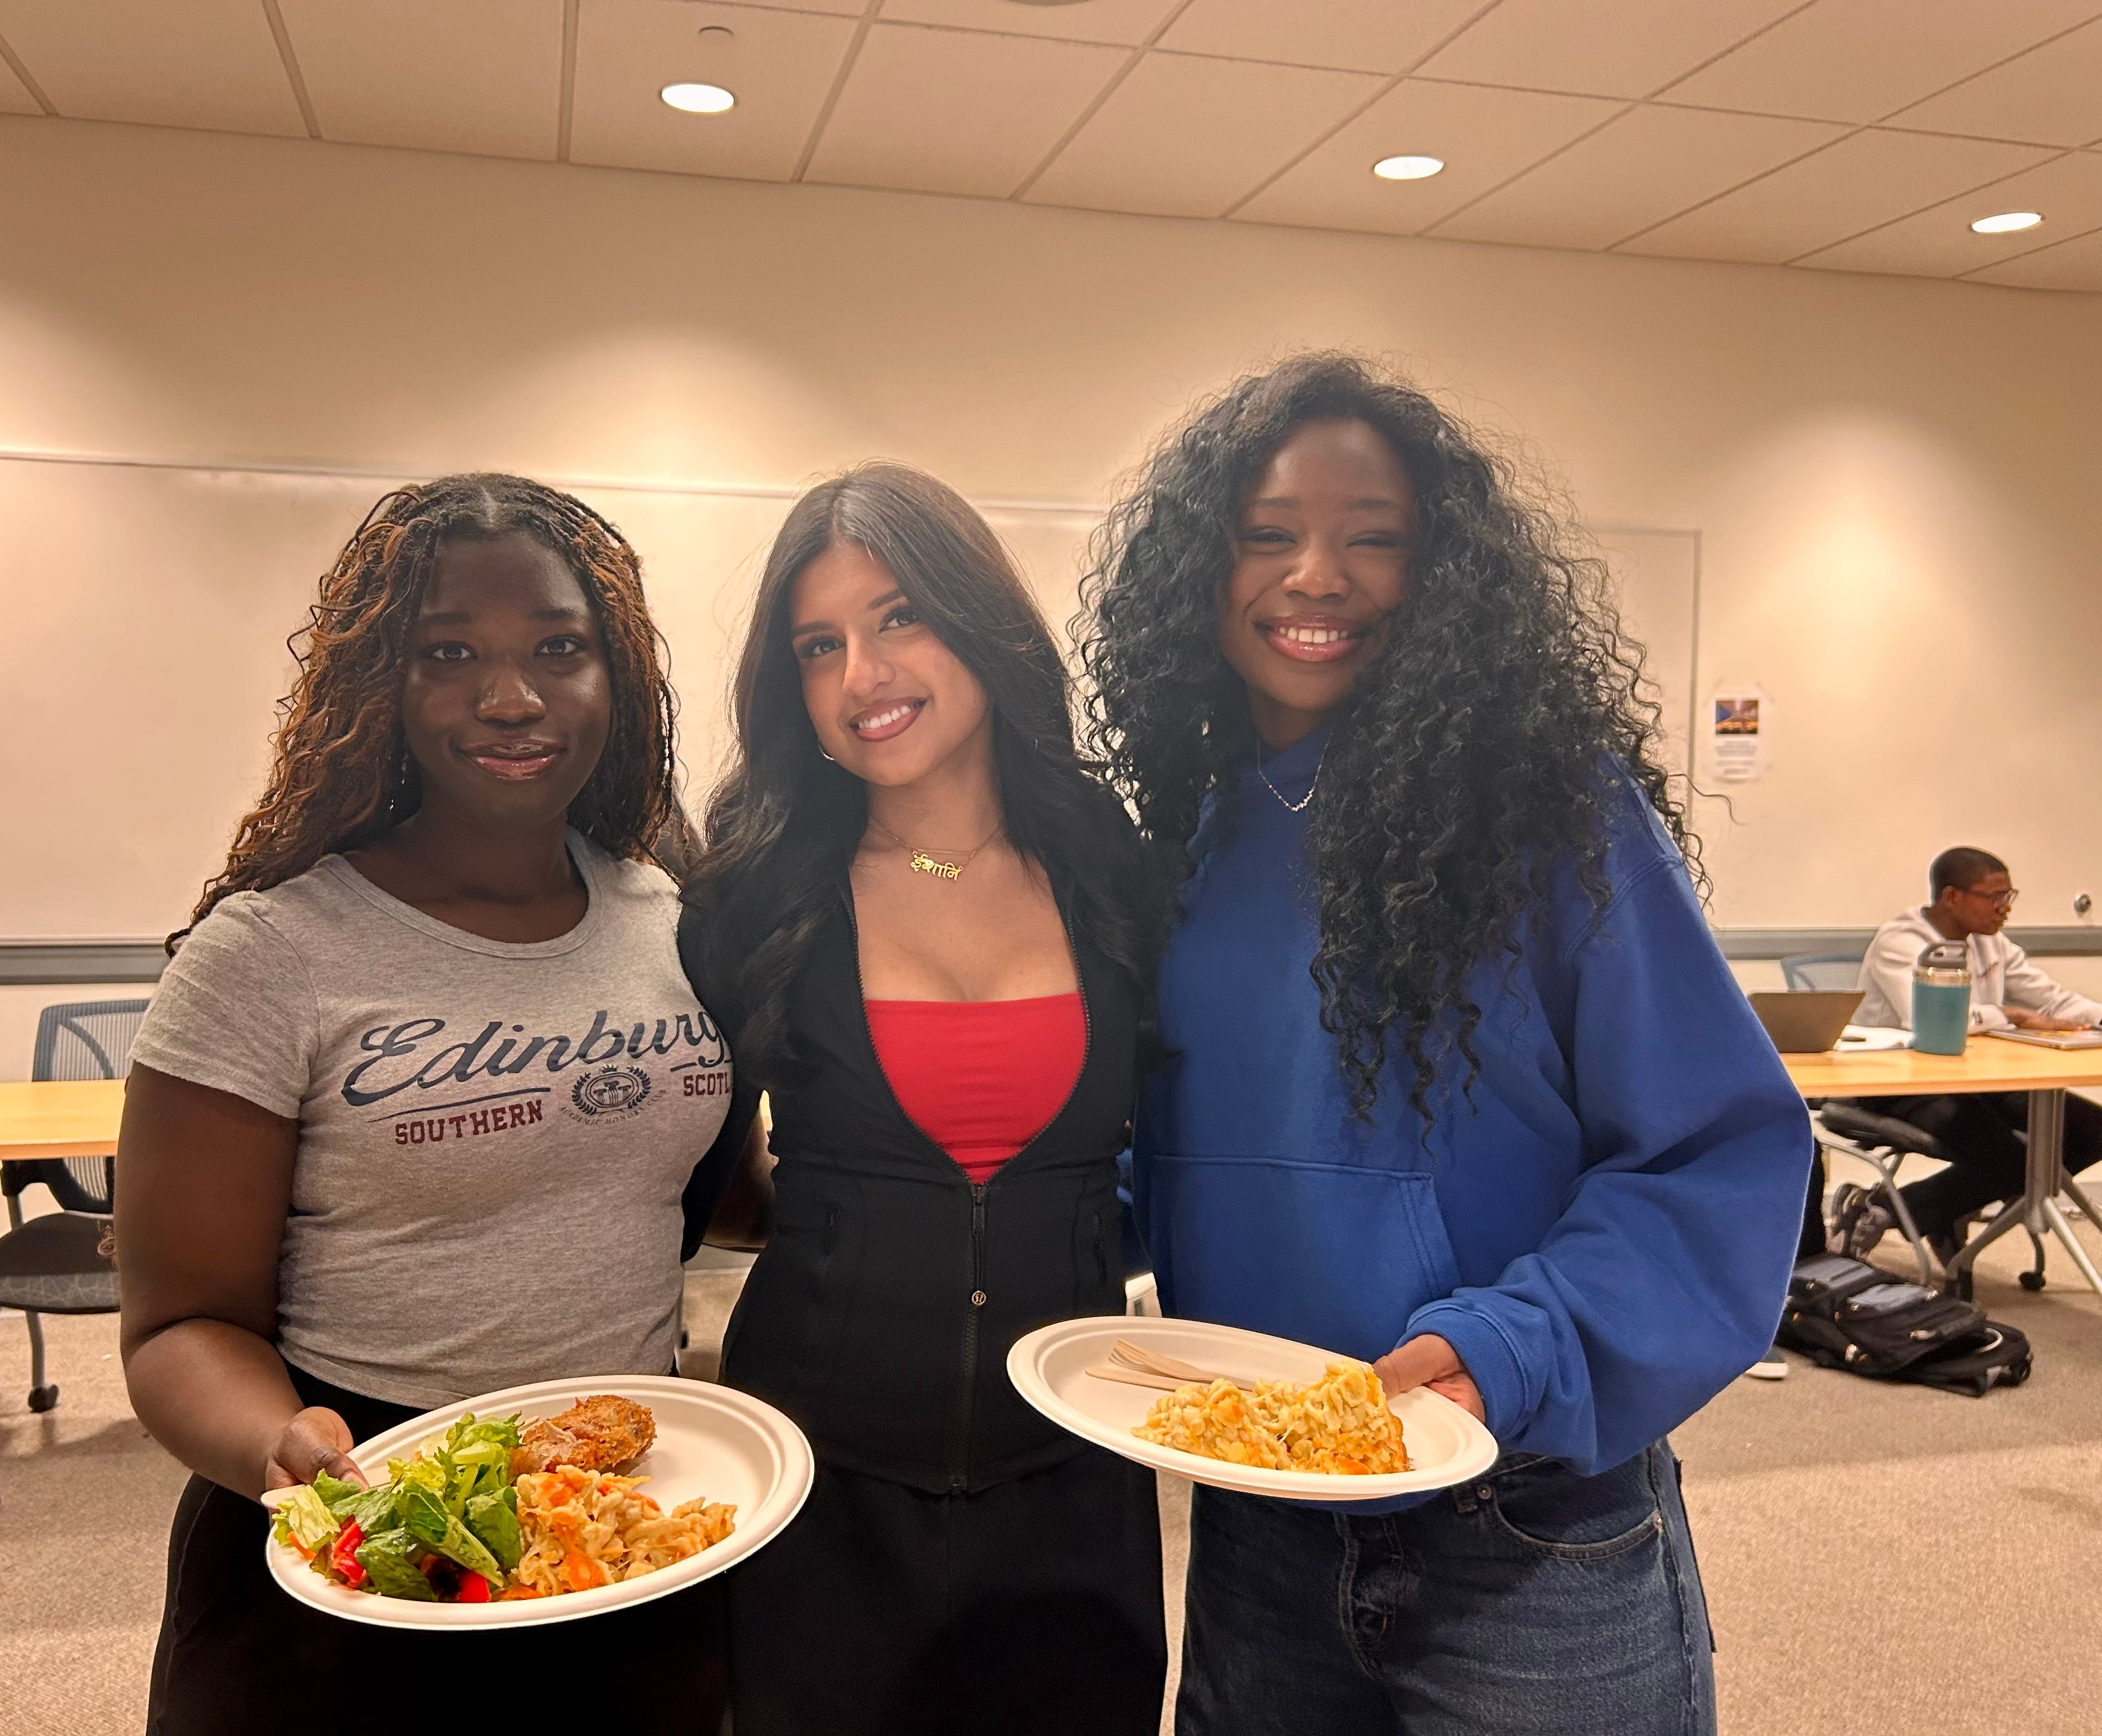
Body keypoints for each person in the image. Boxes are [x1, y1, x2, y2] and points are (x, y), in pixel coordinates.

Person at [1080, 353, 1808, 1735]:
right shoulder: (1182, 842)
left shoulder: (1557, 822)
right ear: (1199, 569)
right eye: (1269, 536)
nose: (1317, 576)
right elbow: (1165, 1155)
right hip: (1265, 1516)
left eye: (1376, 541)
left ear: (1443, 578)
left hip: (1526, 1517)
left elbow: (1721, 1153)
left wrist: (1510, 1347)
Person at [116, 474, 756, 1734]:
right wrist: (281, 1454)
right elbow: (176, 1325)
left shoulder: (673, 917)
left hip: (627, 1500)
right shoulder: (268, 955)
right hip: (365, 1517)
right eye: (448, 652)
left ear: (613, 678)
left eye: (558, 650)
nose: (511, 696)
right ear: (380, 688)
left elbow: (708, 1189)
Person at [679, 463, 1166, 1736]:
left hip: (1076, 1473)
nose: (862, 676)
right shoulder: (757, 896)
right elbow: (698, 1175)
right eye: (818, 646)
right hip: (820, 1477)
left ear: (980, 622)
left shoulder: (1114, 872)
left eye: (898, 617)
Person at [1830, 845, 2102, 1269]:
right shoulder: (1901, 943)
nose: (2004, 909)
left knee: (2091, 1131)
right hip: (1899, 1083)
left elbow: (2052, 1002)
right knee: (2020, 1165)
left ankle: (1905, 1208)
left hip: (1979, 1079)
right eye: (1994, 897)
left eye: (2009, 896)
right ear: (1952, 897)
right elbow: (1929, 1019)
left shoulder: (1992, 945)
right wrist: (2010, 1014)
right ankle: (1902, 1211)